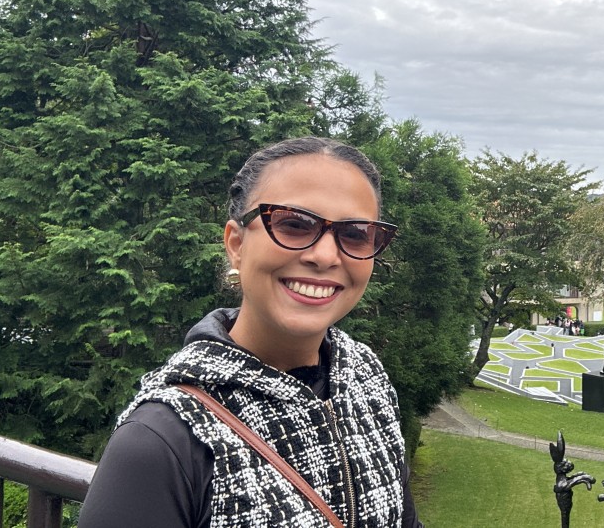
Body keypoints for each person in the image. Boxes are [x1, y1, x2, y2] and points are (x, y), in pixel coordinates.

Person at [80, 137, 422, 527]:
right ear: (236, 244)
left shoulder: (365, 377)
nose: (326, 255)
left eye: (355, 233)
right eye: (294, 224)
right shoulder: (163, 440)